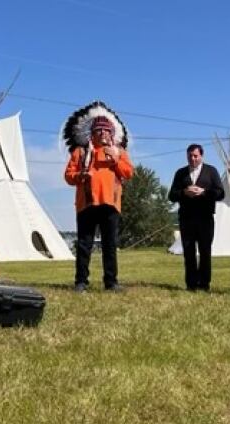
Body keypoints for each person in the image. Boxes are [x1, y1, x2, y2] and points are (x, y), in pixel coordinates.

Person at [63, 104, 134, 293]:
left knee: (110, 245)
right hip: (86, 203)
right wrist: (80, 176)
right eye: (99, 130)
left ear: (111, 133)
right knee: (84, 244)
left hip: (110, 204)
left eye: (106, 130)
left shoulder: (119, 152)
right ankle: (81, 282)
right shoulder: (81, 152)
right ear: (92, 133)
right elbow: (68, 175)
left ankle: (111, 282)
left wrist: (116, 159)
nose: (103, 133)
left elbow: (128, 173)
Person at [168, 144, 225, 291]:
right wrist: (184, 192)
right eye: (190, 156)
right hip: (186, 218)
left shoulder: (211, 171)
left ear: (201, 156)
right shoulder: (180, 173)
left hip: (205, 218)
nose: (192, 159)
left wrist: (204, 192)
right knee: (189, 252)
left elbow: (220, 193)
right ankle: (191, 284)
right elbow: (171, 195)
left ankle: (204, 284)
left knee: (205, 251)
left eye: (195, 156)